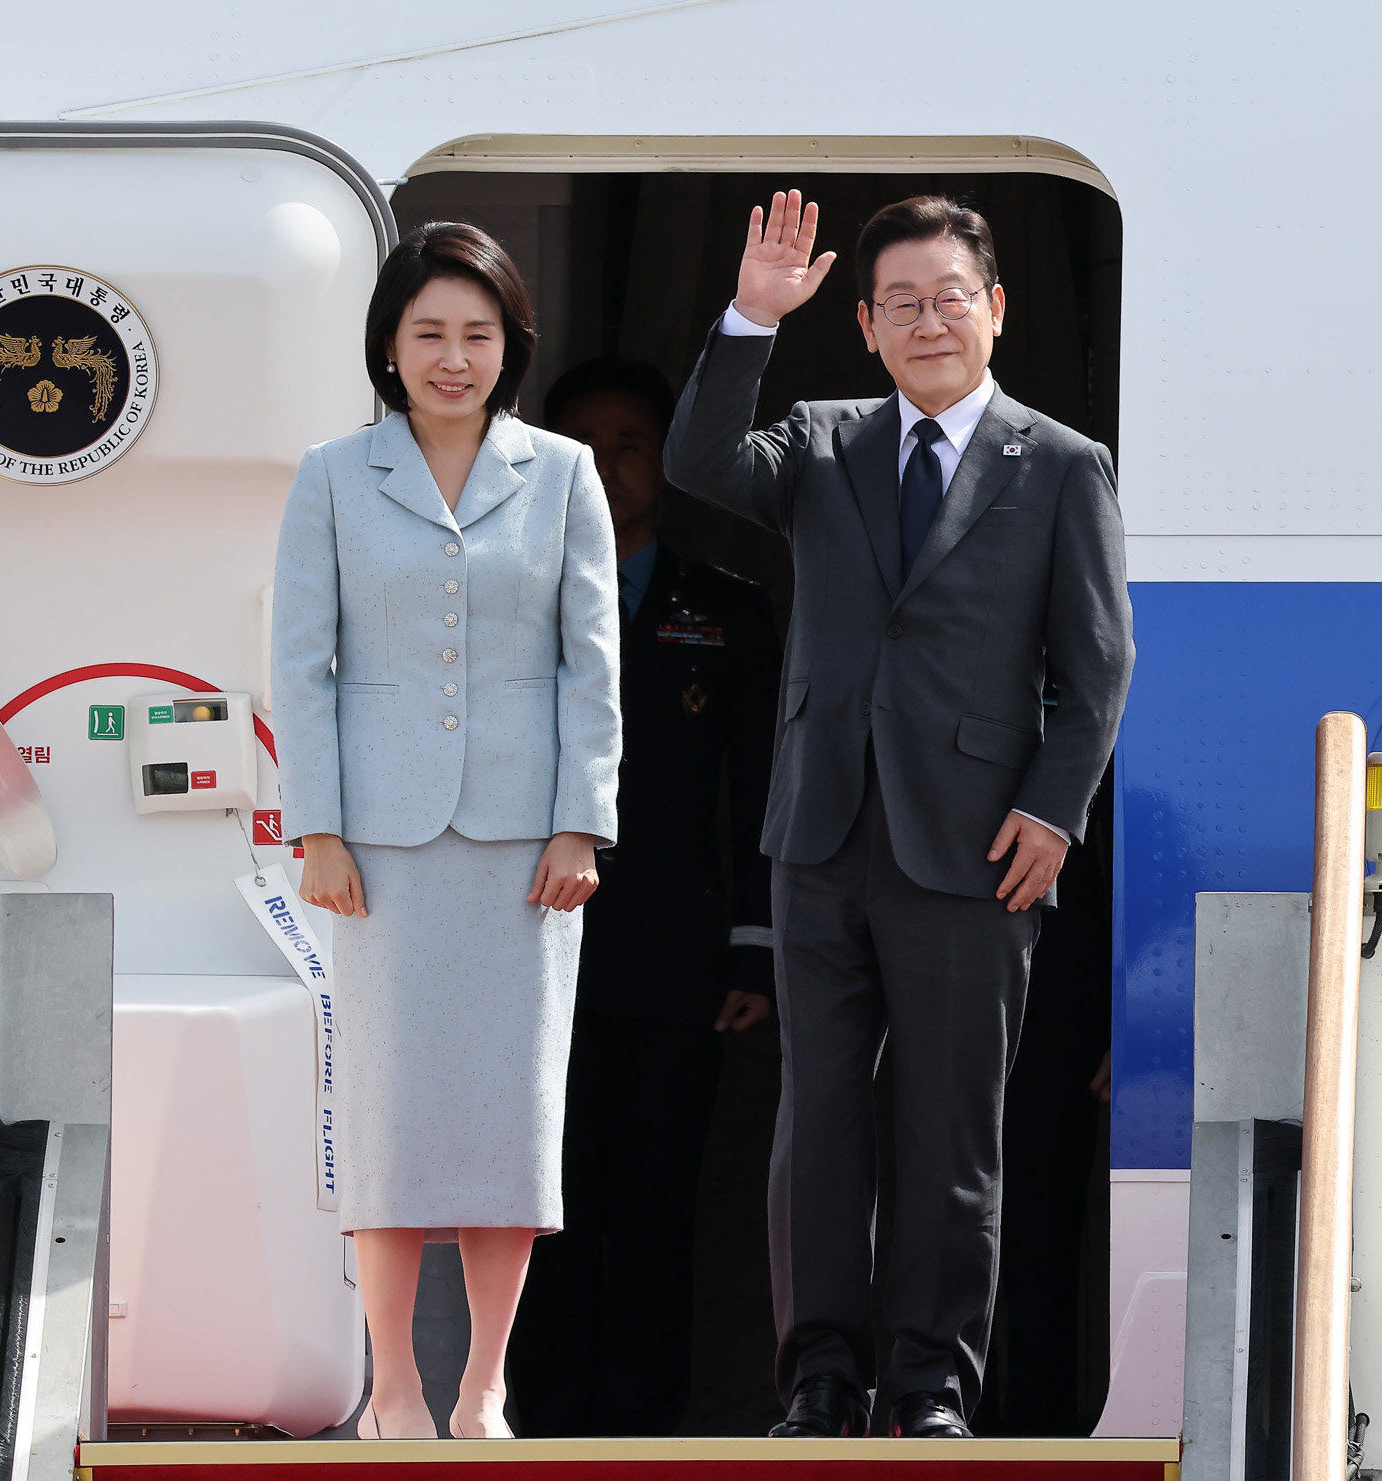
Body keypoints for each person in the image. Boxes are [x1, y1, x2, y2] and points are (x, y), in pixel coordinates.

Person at [661, 192, 1134, 1439]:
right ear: (864, 326)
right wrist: (750, 321)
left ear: (995, 310)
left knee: (949, 1130)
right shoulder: (820, 440)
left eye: (951, 295)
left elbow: (1096, 673)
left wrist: (1054, 813)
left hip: (977, 845)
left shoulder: (1061, 464)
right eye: (901, 303)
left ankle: (930, 1384)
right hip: (818, 834)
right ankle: (818, 1377)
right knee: (813, 1123)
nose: (929, 319)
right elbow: (697, 464)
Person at [270, 222, 622, 1441]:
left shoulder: (565, 473)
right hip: (379, 844)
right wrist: (317, 826)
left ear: (509, 342)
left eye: (476, 334)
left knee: (507, 1114)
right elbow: (299, 668)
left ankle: (482, 1384)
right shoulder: (329, 473)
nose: (453, 356)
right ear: (388, 345)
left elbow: (593, 666)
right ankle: (396, 1386)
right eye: (428, 333)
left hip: (526, 845)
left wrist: (582, 819)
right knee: (390, 1108)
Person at [509, 359, 781, 1436]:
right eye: (585, 442)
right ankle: (540, 1424)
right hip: (526, 954)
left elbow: (763, 785)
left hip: (675, 962)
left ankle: (643, 1429)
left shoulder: (726, 608)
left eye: (629, 441)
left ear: (664, 461)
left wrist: (754, 944)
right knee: (539, 1207)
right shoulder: (501, 596)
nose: (608, 464)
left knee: (657, 1210)